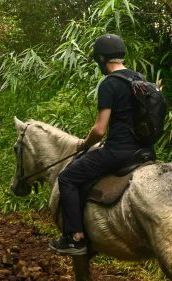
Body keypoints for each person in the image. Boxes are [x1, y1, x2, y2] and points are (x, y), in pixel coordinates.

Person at [49, 33, 154, 256]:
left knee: (67, 178)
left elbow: (99, 130)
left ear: (101, 59)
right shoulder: (140, 79)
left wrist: (83, 144)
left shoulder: (109, 84)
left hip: (118, 152)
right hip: (144, 152)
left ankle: (75, 238)